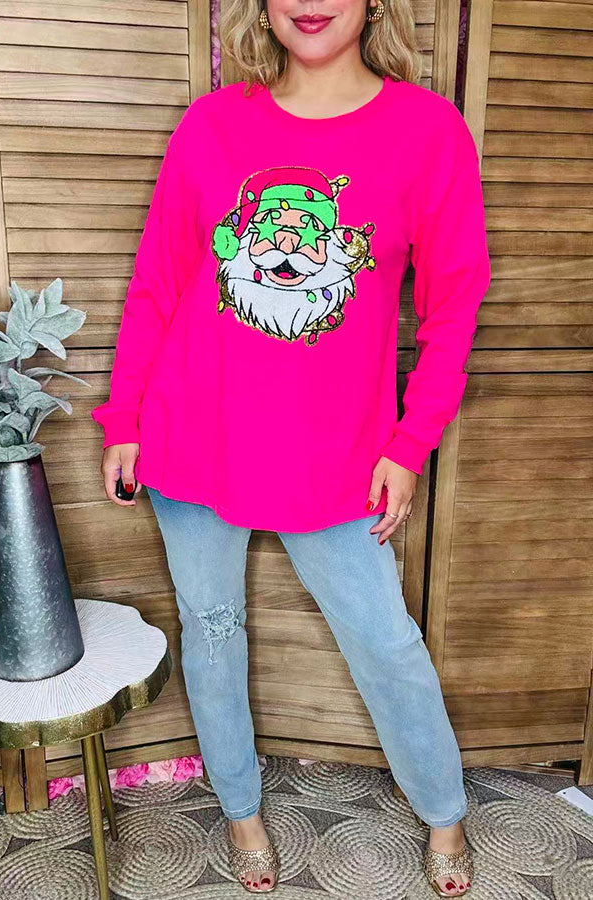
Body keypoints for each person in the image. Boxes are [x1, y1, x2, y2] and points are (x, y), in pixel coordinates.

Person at [90, 0, 491, 895]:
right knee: (213, 630)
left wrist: (410, 444)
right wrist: (124, 418)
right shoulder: (211, 125)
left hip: (338, 455)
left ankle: (443, 809)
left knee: (384, 639)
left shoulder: (428, 132)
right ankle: (241, 810)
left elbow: (455, 301)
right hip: (192, 435)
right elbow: (160, 280)